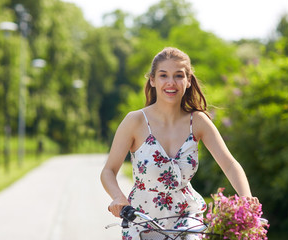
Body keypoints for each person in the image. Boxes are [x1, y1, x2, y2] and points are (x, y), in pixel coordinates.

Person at [100, 47, 258, 240]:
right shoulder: (135, 121)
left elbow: (230, 164)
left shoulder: (198, 121)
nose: (171, 83)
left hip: (186, 216)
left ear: (188, 81)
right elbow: (108, 171)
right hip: (140, 218)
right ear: (152, 80)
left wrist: (246, 199)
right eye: (163, 75)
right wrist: (118, 197)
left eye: (178, 76)